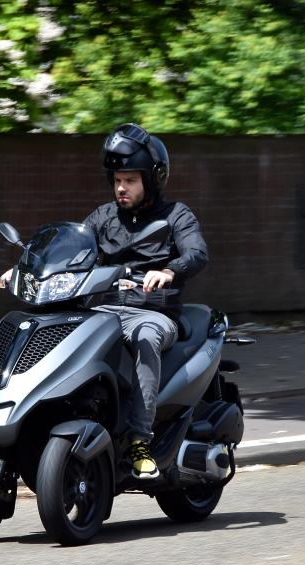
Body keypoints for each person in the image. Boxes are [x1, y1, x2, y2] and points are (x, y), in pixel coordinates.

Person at [82, 123, 208, 479]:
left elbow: (197, 253)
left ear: (152, 180)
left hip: (151, 313)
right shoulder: (103, 217)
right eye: (118, 179)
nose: (121, 187)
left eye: (131, 180)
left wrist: (170, 271)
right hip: (104, 311)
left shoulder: (176, 216)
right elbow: (74, 249)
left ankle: (140, 442)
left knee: (145, 339)